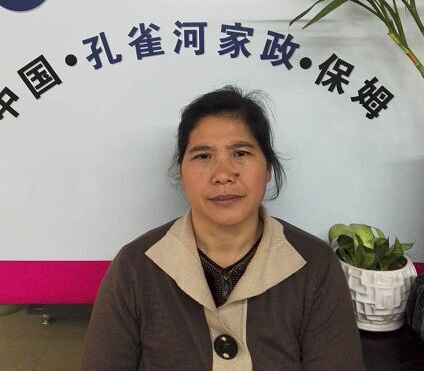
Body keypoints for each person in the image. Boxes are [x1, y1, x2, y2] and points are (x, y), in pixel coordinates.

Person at [81, 86, 364, 370]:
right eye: (203, 156)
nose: (223, 174)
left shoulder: (315, 265)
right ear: (182, 172)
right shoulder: (134, 267)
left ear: (267, 168)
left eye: (240, 152)